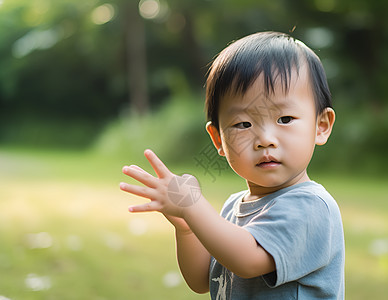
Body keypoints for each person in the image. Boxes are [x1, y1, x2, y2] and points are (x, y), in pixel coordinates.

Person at [120, 31, 344, 299]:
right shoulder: (233, 207)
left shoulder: (311, 206)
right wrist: (187, 226)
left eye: (284, 119)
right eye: (243, 124)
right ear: (218, 138)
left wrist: (194, 206)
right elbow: (201, 280)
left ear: (321, 126)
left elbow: (247, 260)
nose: (265, 140)